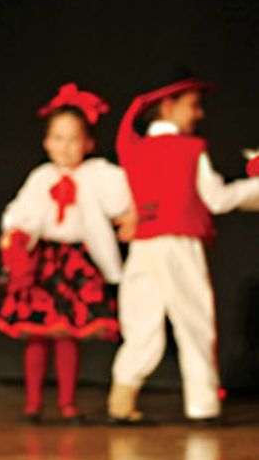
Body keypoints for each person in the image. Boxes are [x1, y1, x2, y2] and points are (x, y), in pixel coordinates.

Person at [108, 70, 259, 424]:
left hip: (144, 246)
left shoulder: (134, 149)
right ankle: (203, 406)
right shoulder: (191, 150)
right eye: (193, 106)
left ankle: (121, 400)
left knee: (141, 323)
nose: (199, 114)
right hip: (178, 244)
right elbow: (217, 199)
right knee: (194, 322)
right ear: (168, 106)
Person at [0, 84, 134, 423]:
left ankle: (67, 404)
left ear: (88, 143)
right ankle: (33, 403)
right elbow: (21, 213)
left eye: (73, 138)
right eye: (58, 138)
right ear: (47, 142)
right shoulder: (41, 177)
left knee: (68, 334)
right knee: (37, 333)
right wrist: (15, 237)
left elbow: (122, 198)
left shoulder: (97, 175)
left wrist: (129, 217)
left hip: (74, 263)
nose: (65, 146)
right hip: (43, 262)